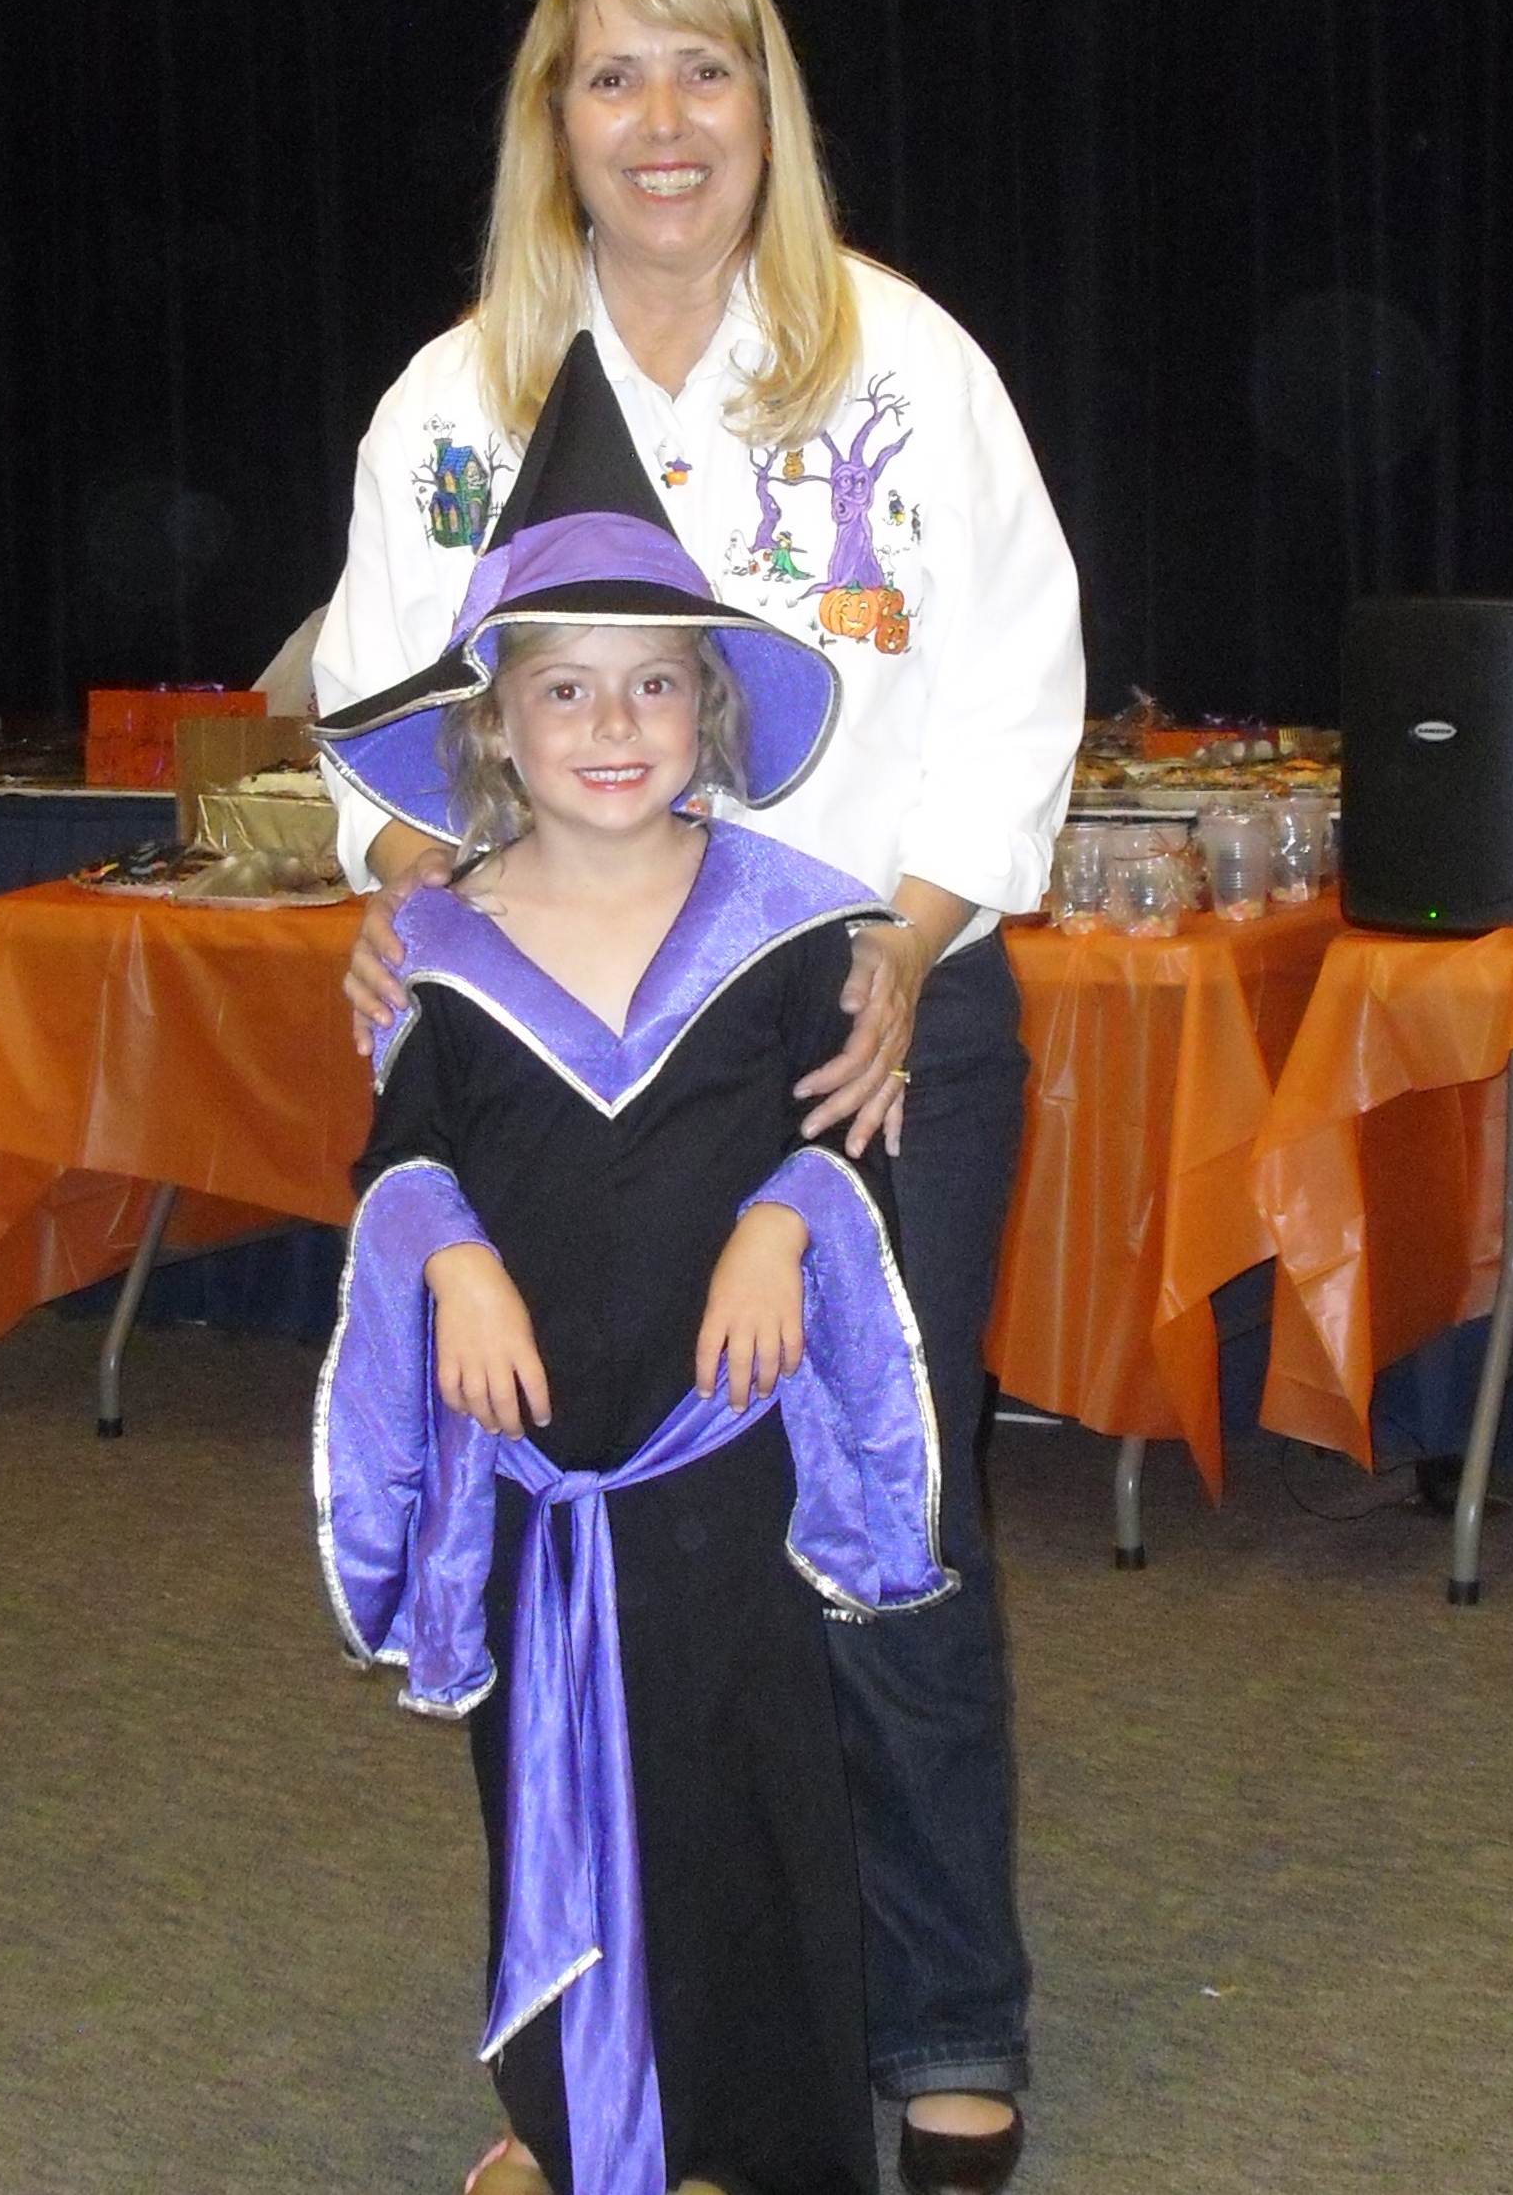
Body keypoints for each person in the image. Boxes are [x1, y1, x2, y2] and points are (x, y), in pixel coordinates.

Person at [314, 0, 1084, 2195]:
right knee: (606, 1558)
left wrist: (906, 943)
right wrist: (411, 905)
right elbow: (380, 724)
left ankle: (937, 2015)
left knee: (873, 1520)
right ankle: (626, 2054)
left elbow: (1017, 681)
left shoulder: (900, 365)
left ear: (770, 110)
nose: (662, 123)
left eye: (705, 69)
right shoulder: (452, 407)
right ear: (549, 126)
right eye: (611, 76)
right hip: (573, 1068)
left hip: (862, 1032)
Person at [315, 462, 957, 2195]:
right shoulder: (440, 949)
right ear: (494, 728)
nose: (613, 724)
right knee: (544, 1788)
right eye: (565, 688)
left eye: (654, 681)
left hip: (715, 1459)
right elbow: (402, 1156)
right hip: (537, 1469)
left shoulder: (788, 930)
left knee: (740, 1795)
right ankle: (568, 2120)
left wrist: (781, 1218)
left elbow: (845, 1135)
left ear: (708, 708)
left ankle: (745, 2139)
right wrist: (452, 1260)